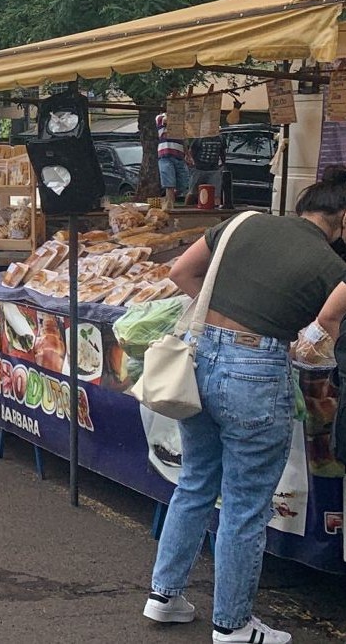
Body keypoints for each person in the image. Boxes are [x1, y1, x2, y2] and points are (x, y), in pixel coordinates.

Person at [144, 175, 346, 644]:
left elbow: (179, 273)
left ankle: (164, 595)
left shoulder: (243, 222)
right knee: (244, 507)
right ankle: (232, 625)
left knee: (195, 482)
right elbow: (319, 338)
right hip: (256, 371)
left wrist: (225, 325)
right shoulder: (331, 266)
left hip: (199, 358)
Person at [156, 112, 189, 210]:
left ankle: (167, 200)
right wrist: (173, 112)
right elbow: (165, 120)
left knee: (183, 184)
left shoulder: (180, 125)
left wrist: (188, 154)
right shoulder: (161, 118)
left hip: (179, 156)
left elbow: (184, 141)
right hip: (166, 155)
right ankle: (170, 206)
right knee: (169, 184)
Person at [187, 135, 225, 206]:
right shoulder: (200, 138)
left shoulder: (220, 138)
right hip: (199, 169)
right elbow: (192, 150)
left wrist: (223, 164)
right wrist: (192, 162)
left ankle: (217, 213)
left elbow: (222, 151)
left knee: (216, 194)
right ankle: (185, 210)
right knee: (192, 193)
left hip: (214, 169)